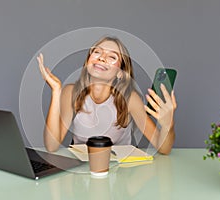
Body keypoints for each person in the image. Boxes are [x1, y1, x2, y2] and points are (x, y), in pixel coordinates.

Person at [37, 36, 177, 155]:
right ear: (88, 62)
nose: (102, 58)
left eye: (112, 57)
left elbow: (163, 148)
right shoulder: (71, 92)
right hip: (81, 174)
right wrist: (56, 91)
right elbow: (51, 146)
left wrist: (167, 126)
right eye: (97, 52)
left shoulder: (129, 99)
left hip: (119, 174)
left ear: (120, 73)